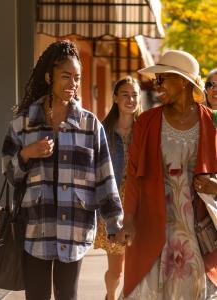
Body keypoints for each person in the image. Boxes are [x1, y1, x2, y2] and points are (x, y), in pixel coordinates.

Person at [1, 40, 123, 300]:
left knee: (68, 296)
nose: (73, 84)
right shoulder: (23, 124)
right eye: (66, 76)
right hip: (35, 228)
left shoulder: (90, 126)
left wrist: (114, 223)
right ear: (49, 76)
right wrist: (26, 154)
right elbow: (10, 175)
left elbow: (105, 177)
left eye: (77, 78)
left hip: (75, 228)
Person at [120, 50, 217, 299]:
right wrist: (128, 217)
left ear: (182, 81)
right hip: (152, 226)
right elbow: (133, 176)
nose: (156, 84)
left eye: (162, 79)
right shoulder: (146, 122)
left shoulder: (211, 122)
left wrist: (215, 186)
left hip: (196, 231)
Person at [94, 76, 142, 300]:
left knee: (139, 267)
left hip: (140, 205)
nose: (131, 99)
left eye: (134, 95)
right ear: (115, 98)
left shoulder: (145, 130)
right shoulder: (102, 131)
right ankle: (110, 297)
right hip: (113, 206)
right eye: (125, 94)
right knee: (116, 270)